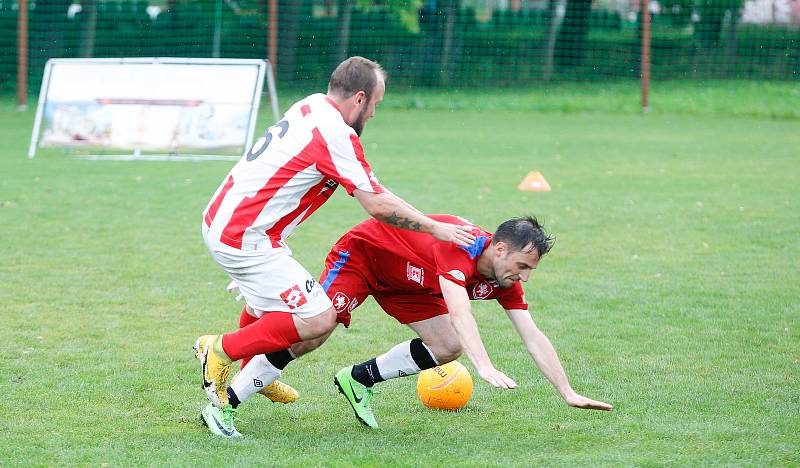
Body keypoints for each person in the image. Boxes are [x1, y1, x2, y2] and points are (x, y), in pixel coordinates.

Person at [194, 57, 476, 437]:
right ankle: (220, 349)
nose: (374, 113)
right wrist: (434, 228)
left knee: (268, 309)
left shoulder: (311, 105)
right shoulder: (337, 135)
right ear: (359, 98)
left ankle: (251, 374)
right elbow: (376, 205)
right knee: (317, 319)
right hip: (245, 236)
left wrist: (426, 221)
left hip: (226, 221)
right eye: (375, 103)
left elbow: (377, 191)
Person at [220, 215, 612, 435]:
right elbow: (460, 311)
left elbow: (532, 335)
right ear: (500, 248)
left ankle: (358, 379)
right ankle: (224, 405)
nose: (524, 277)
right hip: (364, 258)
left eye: (531, 270)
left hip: (409, 283)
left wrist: (567, 391)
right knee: (314, 332)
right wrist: (485, 365)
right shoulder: (459, 250)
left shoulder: (503, 279)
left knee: (446, 346)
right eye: (522, 266)